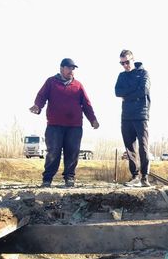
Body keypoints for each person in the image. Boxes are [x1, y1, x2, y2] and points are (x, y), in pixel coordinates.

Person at [30, 58, 99, 188]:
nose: (71, 71)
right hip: (54, 126)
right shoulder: (51, 82)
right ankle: (47, 179)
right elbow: (41, 97)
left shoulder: (78, 85)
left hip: (74, 126)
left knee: (72, 152)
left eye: (73, 68)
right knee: (53, 152)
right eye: (69, 68)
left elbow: (86, 104)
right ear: (61, 68)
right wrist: (37, 106)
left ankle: (69, 178)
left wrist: (93, 120)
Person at [115, 49, 152, 187]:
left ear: (133, 60)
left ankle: (145, 177)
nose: (125, 65)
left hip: (141, 115)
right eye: (122, 63)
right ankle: (135, 176)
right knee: (129, 147)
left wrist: (127, 95)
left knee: (143, 146)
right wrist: (133, 91)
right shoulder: (121, 76)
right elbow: (117, 92)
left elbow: (143, 91)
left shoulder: (143, 73)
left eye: (127, 62)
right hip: (126, 116)